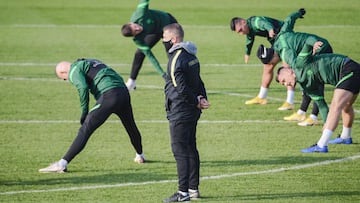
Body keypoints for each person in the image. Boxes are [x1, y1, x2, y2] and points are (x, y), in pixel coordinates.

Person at [39, 59, 145, 173]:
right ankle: (140, 155)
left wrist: (84, 113)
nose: (67, 79)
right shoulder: (90, 62)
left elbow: (83, 87)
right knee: (130, 126)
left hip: (109, 95)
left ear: (63, 73)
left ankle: (62, 164)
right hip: (123, 92)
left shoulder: (74, 70)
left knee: (85, 129)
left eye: (65, 79)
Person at [275, 45, 359, 153]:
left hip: (348, 68)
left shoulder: (299, 64)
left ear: (288, 71)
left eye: (284, 81)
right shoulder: (306, 86)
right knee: (346, 106)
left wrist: (314, 44)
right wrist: (326, 124)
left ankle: (321, 145)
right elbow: (322, 106)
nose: (286, 84)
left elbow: (307, 45)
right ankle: (346, 137)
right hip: (350, 74)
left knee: (336, 105)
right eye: (283, 84)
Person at [256, 10, 333, 126]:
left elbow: (297, 67)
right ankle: (302, 112)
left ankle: (313, 116)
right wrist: (298, 13)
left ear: (272, 58)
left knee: (314, 80)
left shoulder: (285, 53)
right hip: (319, 43)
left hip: (319, 48)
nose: (272, 65)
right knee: (308, 79)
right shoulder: (280, 36)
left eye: (271, 63)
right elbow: (289, 20)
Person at [162, 23, 209, 202]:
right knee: (190, 148)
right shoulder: (191, 55)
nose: (163, 42)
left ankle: (182, 193)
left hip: (181, 110)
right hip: (191, 110)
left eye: (164, 39)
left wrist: (196, 100)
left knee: (180, 150)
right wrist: (202, 97)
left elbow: (180, 87)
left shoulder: (176, 58)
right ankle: (193, 188)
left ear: (174, 39)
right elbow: (198, 81)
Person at [230, 9, 305, 110]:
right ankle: (262, 97)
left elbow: (264, 24)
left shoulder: (256, 22)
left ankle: (290, 101)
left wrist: (270, 29)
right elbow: (250, 39)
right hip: (277, 42)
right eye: (238, 32)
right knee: (268, 67)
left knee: (287, 69)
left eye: (240, 30)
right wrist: (247, 53)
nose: (241, 33)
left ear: (243, 22)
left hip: (285, 40)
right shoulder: (249, 28)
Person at [121, 0, 178, 90]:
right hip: (155, 31)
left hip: (169, 23)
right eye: (135, 32)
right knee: (139, 53)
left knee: (172, 54)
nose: (138, 29)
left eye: (135, 27)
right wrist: (163, 74)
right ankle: (131, 82)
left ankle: (180, 79)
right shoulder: (138, 39)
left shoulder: (141, 13)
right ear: (134, 35)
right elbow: (151, 57)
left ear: (131, 23)